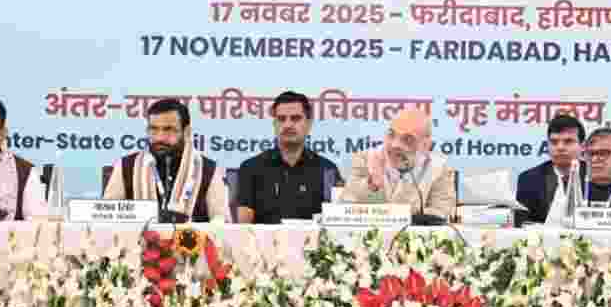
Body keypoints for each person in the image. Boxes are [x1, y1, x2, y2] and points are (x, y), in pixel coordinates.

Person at [102, 98, 228, 222]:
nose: (160, 137)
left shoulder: (207, 168)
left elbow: (222, 221)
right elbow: (106, 218)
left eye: (168, 129)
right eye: (154, 129)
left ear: (187, 132)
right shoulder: (127, 166)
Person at [236, 91, 340, 224]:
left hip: (313, 244)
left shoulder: (327, 169)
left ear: (308, 124)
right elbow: (243, 228)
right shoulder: (251, 168)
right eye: (281, 119)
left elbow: (335, 224)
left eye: (295, 118)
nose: (288, 125)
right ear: (274, 125)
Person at [340, 108, 455, 219]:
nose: (395, 144)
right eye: (391, 135)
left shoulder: (439, 167)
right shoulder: (366, 159)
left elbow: (440, 213)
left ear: (425, 145)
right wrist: (372, 185)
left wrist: (398, 217)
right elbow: (345, 205)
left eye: (408, 139)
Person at [515, 113, 588, 226]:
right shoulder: (529, 178)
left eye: (568, 141)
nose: (560, 147)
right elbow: (522, 223)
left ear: (582, 146)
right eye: (554, 142)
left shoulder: (594, 176)